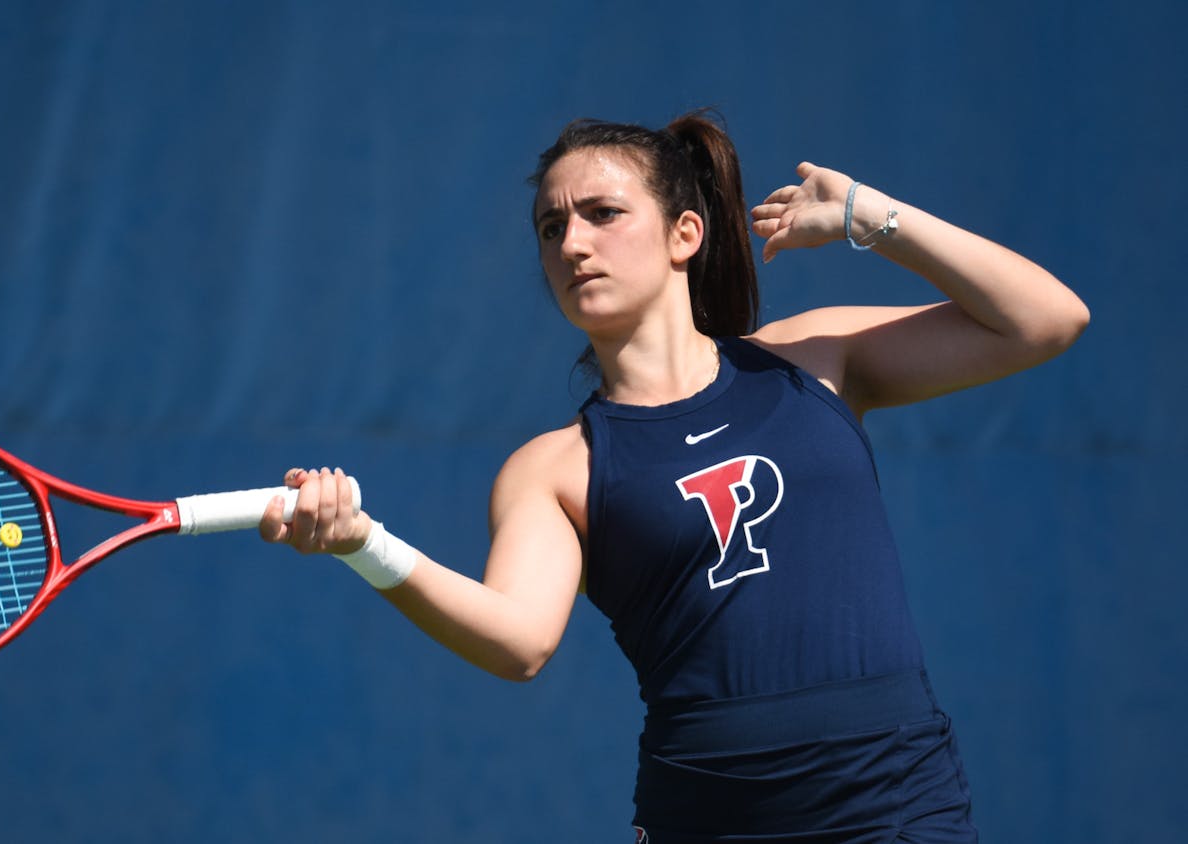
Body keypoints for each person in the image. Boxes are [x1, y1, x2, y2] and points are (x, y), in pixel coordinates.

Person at [258, 109, 1088, 842]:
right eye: (551, 228)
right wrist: (362, 544)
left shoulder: (815, 359)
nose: (573, 243)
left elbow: (1046, 321)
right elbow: (518, 643)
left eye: (602, 214)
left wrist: (871, 217)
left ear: (684, 234)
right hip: (712, 813)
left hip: (897, 804)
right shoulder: (554, 468)